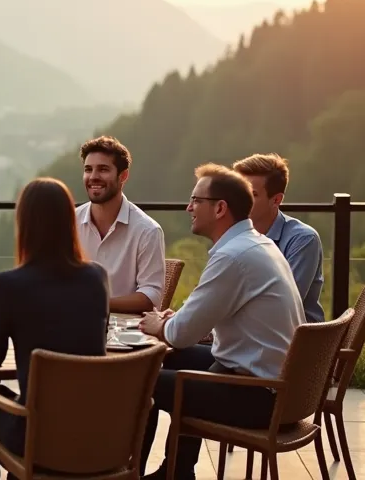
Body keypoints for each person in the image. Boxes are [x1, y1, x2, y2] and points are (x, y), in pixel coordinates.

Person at [135, 164, 305, 480]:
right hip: (278, 388)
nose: (189, 208)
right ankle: (178, 471)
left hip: (259, 396)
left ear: (220, 208)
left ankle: (131, 472)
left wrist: (163, 325)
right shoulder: (257, 243)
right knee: (172, 360)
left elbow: (180, 333)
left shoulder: (232, 256)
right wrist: (175, 325)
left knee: (141, 380)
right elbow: (207, 320)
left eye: (195, 200)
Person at [0, 177, 111, 480]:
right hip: (97, 433)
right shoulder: (96, 277)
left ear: (24, 223)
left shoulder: (9, 285)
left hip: (37, 436)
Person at [74, 136, 166, 313]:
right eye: (88, 169)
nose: (93, 177)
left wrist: (96, 304)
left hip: (127, 334)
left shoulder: (147, 230)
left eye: (103, 169)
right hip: (74, 323)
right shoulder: (70, 222)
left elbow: (150, 297)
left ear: (123, 176)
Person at [233, 153, 326, 322]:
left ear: (276, 200)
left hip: (294, 342)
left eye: (252, 195)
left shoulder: (303, 240)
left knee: (181, 347)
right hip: (242, 336)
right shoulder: (235, 234)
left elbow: (283, 304)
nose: (239, 201)